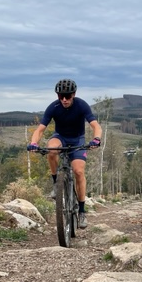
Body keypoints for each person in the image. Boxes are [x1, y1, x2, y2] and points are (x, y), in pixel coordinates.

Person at [27, 79, 102, 229]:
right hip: (60, 137)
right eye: (61, 96)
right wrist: (34, 143)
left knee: (79, 171)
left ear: (73, 94)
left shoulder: (81, 105)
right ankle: (56, 183)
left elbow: (95, 125)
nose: (64, 99)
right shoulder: (53, 107)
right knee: (51, 149)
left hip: (77, 140)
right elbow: (40, 129)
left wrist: (96, 139)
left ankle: (81, 211)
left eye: (67, 96)